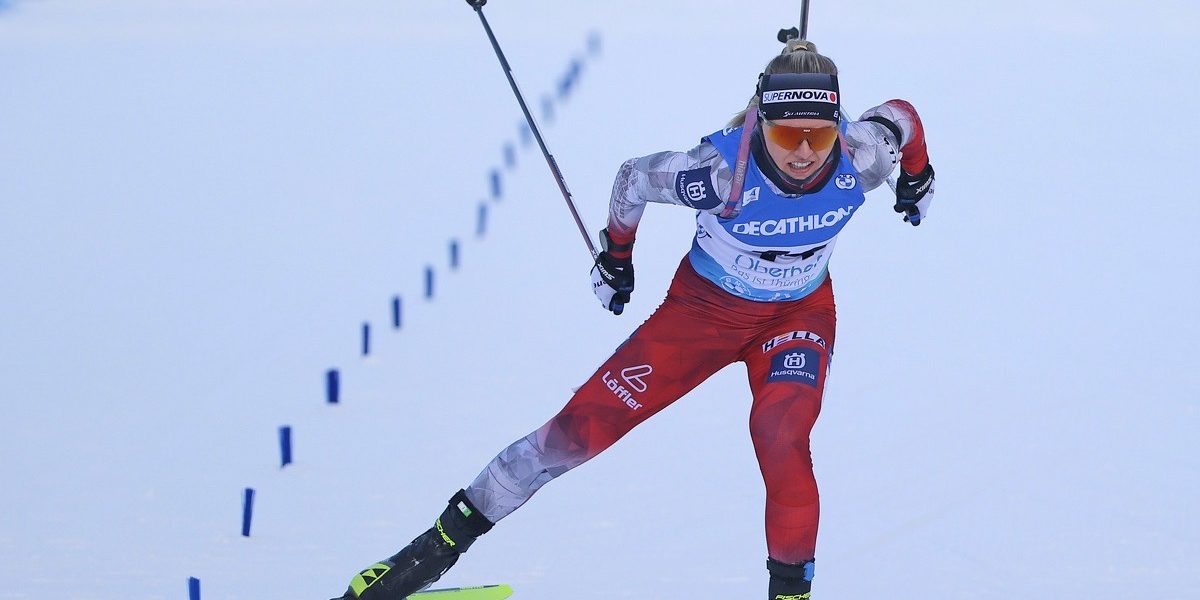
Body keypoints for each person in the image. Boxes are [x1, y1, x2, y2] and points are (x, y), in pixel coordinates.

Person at [331, 37, 935, 600]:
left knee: (782, 438)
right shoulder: (720, 175)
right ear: (761, 124)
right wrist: (617, 256)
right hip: (700, 318)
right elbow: (635, 178)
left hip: (797, 316)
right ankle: (422, 558)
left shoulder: (861, 155)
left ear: (839, 128)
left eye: (818, 136)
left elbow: (903, 116)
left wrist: (916, 176)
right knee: (573, 435)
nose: (804, 153)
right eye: (785, 138)